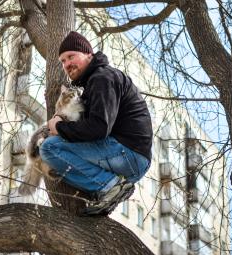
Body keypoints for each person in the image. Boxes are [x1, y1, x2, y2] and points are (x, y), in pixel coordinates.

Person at [40, 31, 153, 216]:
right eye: (63, 61)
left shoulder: (102, 78)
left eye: (71, 56)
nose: (67, 64)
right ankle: (106, 189)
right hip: (131, 157)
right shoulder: (95, 81)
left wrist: (59, 128)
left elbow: (98, 128)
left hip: (129, 154)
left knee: (50, 148)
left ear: (88, 54)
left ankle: (110, 186)